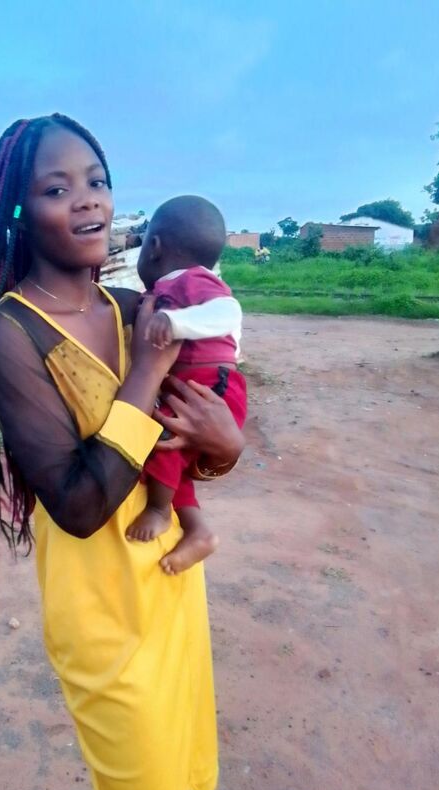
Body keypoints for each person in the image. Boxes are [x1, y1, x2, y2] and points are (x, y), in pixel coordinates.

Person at [0, 114, 244, 790]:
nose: (87, 200)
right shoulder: (11, 334)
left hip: (171, 581)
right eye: (57, 188)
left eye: (97, 181)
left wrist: (226, 447)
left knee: (153, 788)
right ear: (18, 211)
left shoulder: (133, 308)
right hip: (101, 613)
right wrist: (144, 372)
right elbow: (80, 505)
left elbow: (192, 445)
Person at [125, 196, 247, 574]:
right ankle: (198, 530)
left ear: (155, 246)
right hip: (192, 386)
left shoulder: (193, 280)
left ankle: (159, 510)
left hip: (211, 386)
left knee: (163, 442)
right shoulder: (161, 291)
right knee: (171, 456)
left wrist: (176, 323)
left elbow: (229, 311)